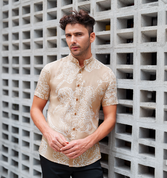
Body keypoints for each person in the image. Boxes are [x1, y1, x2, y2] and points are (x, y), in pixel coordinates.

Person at [30, 10, 118, 178]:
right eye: (68, 35)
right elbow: (35, 109)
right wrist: (48, 133)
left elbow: (110, 118)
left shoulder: (107, 75)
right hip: (52, 156)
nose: (73, 40)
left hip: (88, 158)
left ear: (92, 37)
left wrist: (88, 142)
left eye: (78, 34)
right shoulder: (50, 70)